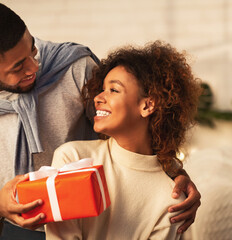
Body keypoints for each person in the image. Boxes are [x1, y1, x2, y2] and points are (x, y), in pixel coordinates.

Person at [0, 1, 200, 240]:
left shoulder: (73, 66)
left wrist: (174, 174)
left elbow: (131, 126)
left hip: (99, 218)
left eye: (32, 50)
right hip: (21, 231)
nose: (34, 67)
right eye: (18, 67)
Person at [45, 41, 202, 239]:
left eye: (114, 90)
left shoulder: (171, 198)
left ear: (147, 105)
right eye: (102, 89)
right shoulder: (72, 158)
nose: (98, 98)